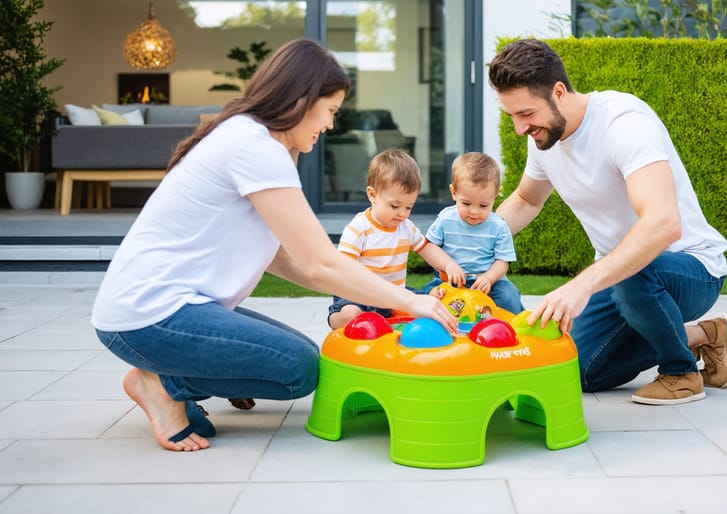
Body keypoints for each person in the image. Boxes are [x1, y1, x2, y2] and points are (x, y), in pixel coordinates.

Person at [90, 39, 458, 452]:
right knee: (297, 369)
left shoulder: (254, 140)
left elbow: (289, 260)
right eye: (331, 111)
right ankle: (160, 381)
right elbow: (320, 263)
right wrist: (411, 301)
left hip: (164, 310)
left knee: (302, 357)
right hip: (149, 314)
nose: (331, 125)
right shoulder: (255, 147)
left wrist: (379, 296)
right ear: (302, 99)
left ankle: (170, 377)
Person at [488, 38, 727, 406]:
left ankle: (680, 373)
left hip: (691, 268)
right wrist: (471, 242)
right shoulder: (545, 138)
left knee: (634, 271)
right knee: (580, 370)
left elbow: (664, 223)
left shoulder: (623, 123)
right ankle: (702, 336)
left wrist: (582, 285)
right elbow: (526, 200)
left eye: (526, 114)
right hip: (623, 278)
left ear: (558, 92)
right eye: (512, 117)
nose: (520, 128)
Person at [327, 148, 466, 329]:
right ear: (372, 195)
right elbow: (344, 269)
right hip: (358, 296)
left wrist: (449, 265)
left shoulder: (405, 228)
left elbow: (427, 248)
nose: (402, 213)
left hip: (393, 296)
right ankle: (337, 319)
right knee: (352, 314)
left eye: (409, 207)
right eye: (395, 206)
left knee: (427, 302)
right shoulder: (359, 229)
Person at [421, 152, 524, 314]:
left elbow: (502, 262)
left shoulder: (498, 226)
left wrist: (488, 278)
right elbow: (428, 246)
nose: (474, 212)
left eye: (483, 205)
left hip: (488, 282)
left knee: (509, 299)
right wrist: (449, 265)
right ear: (454, 192)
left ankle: (504, 330)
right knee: (428, 298)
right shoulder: (446, 218)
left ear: (496, 195)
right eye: (466, 203)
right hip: (449, 280)